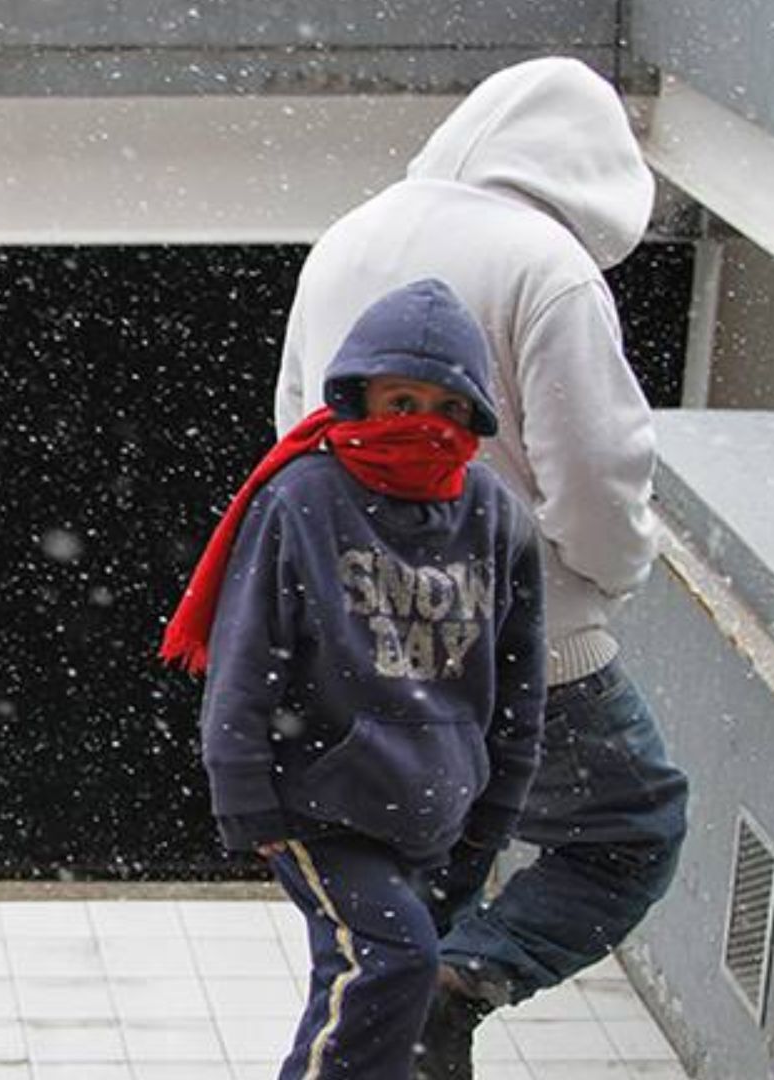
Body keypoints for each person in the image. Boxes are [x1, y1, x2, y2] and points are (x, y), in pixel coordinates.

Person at [270, 56, 691, 1078]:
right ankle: (459, 985)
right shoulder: (546, 266)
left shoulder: (350, 238)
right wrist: (606, 581)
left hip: (364, 638)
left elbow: (297, 422)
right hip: (523, 644)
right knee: (629, 831)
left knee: (406, 895)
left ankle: (411, 1019)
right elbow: (595, 472)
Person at [165, 278, 547, 1078]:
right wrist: (247, 801)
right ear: (359, 396)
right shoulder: (304, 497)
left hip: (444, 808)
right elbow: (243, 661)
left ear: (474, 415)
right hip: (322, 804)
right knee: (392, 964)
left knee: (381, 1002)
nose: (422, 424)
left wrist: (494, 812)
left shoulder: (495, 514)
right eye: (400, 400)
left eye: (445, 407)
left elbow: (518, 688)